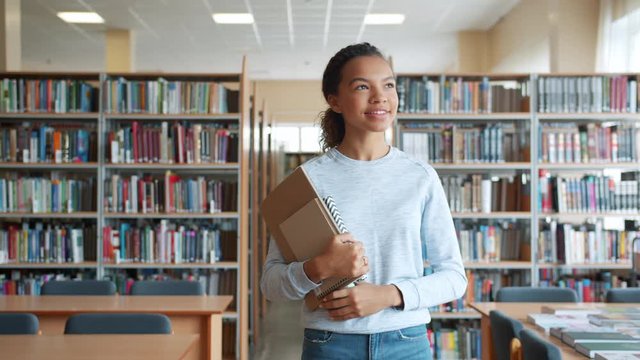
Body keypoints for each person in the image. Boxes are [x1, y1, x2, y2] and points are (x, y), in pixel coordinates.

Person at [260, 43, 467, 360]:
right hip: (330, 345)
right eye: (361, 86)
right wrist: (318, 268)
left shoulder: (421, 178)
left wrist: (389, 295)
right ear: (335, 101)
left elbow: (454, 278)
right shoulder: (307, 181)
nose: (380, 96)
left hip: (407, 345)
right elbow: (271, 285)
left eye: (388, 85)